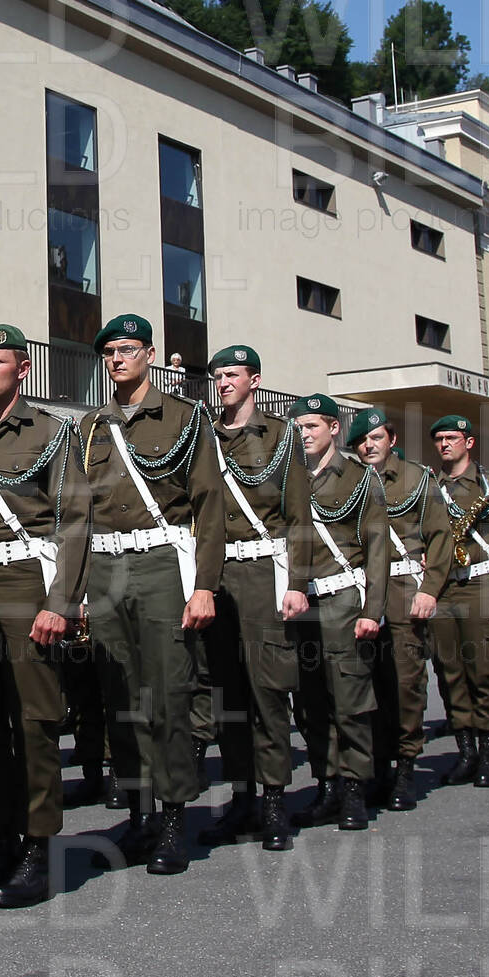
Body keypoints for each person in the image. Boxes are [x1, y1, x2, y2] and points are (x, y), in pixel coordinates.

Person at [72, 314, 225, 875]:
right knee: (120, 697)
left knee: (167, 696)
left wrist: (204, 586)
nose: (117, 359)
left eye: (128, 349)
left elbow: (210, 505)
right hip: (106, 567)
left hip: (162, 563)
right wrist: (77, 587)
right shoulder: (91, 427)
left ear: (151, 355)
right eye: (109, 352)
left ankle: (174, 820)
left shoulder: (184, 418)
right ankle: (138, 816)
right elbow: (76, 513)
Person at [0, 324, 87, 909]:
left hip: (24, 584)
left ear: (22, 369)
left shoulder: (52, 433)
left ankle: (37, 848)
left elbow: (74, 520)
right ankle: (0, 841)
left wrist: (61, 602)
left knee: (34, 721)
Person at [198, 345, 321, 852]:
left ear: (255, 380)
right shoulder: (204, 434)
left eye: (233, 374)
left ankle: (274, 801)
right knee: (226, 691)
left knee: (268, 690)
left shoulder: (281, 436)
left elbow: (299, 516)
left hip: (264, 572)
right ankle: (242, 796)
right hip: (215, 571)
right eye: (218, 375)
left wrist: (297, 583)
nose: (224, 382)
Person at [286, 394, 383, 828]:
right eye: (299, 428)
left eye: (312, 426)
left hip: (343, 598)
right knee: (308, 700)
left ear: (334, 428)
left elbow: (377, 548)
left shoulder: (360, 478)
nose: (305, 435)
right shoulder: (286, 475)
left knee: (350, 699)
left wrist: (372, 609)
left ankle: (355, 789)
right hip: (300, 600)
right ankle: (325, 785)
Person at [419, 416, 489, 789]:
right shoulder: (429, 487)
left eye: (452, 437)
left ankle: (488, 753)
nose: (444, 444)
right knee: (450, 672)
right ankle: (465, 751)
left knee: (482, 671)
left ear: (469, 442)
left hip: (480, 584)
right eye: (439, 438)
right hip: (443, 587)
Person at [353, 406, 435, 804]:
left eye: (376, 438)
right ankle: (378, 766)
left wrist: (430, 589)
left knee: (405, 680)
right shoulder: (351, 480)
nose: (368, 446)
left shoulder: (417, 478)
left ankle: (405, 767)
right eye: (362, 441)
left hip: (404, 588)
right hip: (363, 589)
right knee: (368, 681)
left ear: (392, 440)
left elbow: (440, 537)